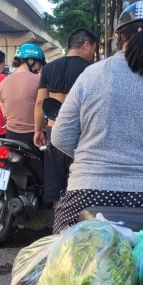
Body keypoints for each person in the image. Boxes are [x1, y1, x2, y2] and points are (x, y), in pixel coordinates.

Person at [51, 1, 143, 238]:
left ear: (119, 37)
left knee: (61, 271)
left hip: (87, 195)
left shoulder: (91, 75)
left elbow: (61, 136)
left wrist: (92, 160)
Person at [33, 28, 98, 206]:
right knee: (81, 187)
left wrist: (38, 130)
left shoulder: (49, 68)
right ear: (86, 45)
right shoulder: (92, 70)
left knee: (57, 190)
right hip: (82, 134)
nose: (93, 53)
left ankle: (59, 227)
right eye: (93, 48)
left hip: (55, 133)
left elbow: (40, 102)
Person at [0, 44, 46, 149]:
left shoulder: (3, 82)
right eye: (39, 64)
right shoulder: (39, 80)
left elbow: (5, 114)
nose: (39, 68)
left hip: (11, 135)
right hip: (34, 136)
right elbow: (41, 106)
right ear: (30, 61)